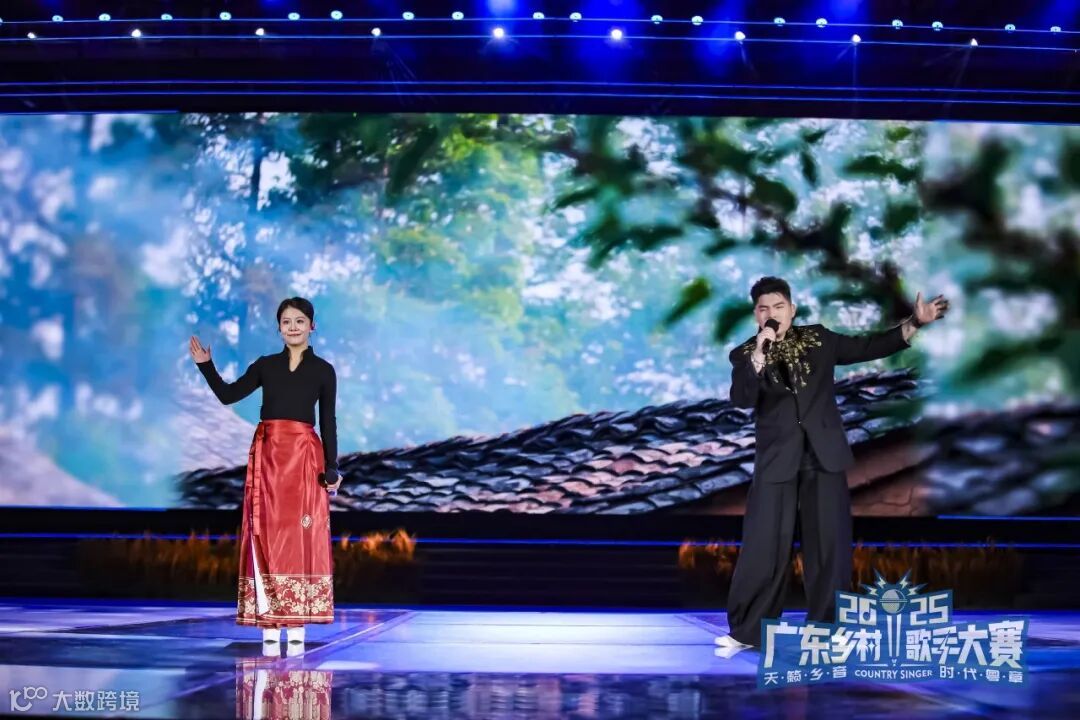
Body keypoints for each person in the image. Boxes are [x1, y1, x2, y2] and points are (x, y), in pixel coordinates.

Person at [716, 276, 948, 649]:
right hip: (777, 459)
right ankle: (749, 632)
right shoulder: (744, 354)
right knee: (763, 546)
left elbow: (869, 346)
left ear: (792, 310)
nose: (772, 313)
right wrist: (759, 355)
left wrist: (915, 323)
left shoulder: (819, 339)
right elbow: (742, 398)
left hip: (822, 454)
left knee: (828, 546)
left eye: (779, 307)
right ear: (756, 315)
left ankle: (828, 628)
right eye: (764, 308)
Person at [189, 297, 341, 647]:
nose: (293, 327)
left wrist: (332, 467)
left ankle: (297, 623)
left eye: (299, 321)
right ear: (279, 328)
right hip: (269, 457)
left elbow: (328, 421)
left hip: (304, 457)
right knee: (266, 534)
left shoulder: (323, 370)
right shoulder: (266, 366)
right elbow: (228, 395)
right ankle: (270, 623)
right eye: (286, 321)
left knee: (301, 535)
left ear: (312, 326)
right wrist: (206, 366)